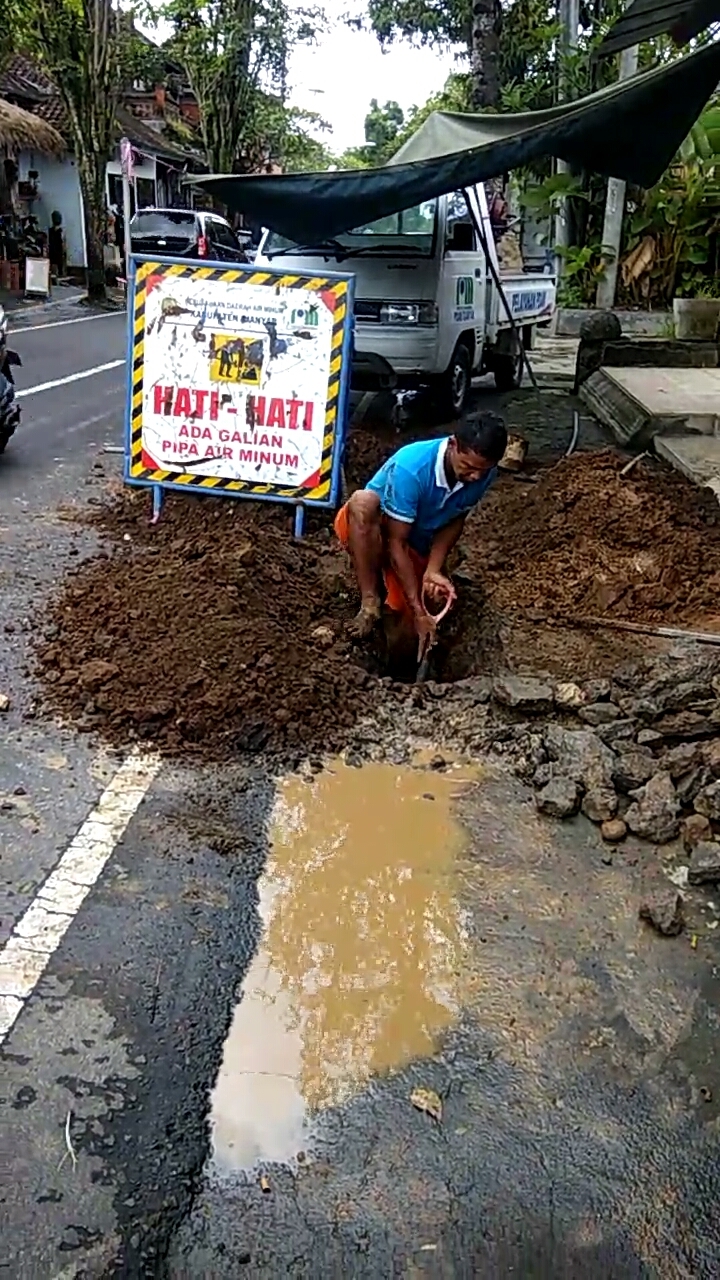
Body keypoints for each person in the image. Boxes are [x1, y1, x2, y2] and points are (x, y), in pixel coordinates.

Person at [335, 412, 507, 649]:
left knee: (407, 634)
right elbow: (397, 543)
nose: (475, 476)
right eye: (468, 467)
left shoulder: (483, 473)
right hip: (372, 532)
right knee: (363, 502)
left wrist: (433, 570)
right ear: (453, 445)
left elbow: (455, 518)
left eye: (483, 470)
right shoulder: (412, 467)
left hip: (415, 543)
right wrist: (417, 609)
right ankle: (370, 600)